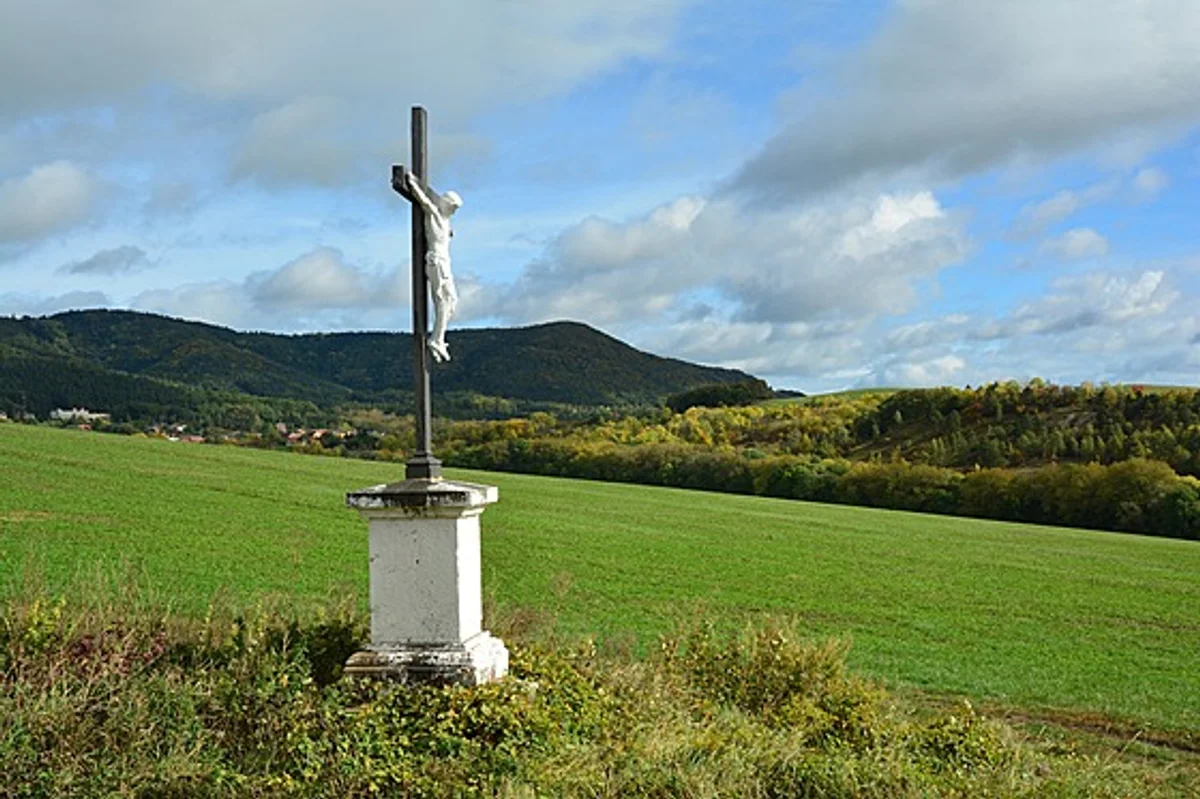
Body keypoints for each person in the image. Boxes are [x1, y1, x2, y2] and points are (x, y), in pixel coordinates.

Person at [405, 169, 461, 362]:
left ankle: (438, 337)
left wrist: (449, 234)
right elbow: (425, 202)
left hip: (445, 262)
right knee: (442, 300)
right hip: (436, 261)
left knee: (452, 301)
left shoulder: (446, 222)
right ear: (445, 203)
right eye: (453, 207)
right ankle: (436, 340)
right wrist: (412, 184)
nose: (454, 211)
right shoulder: (435, 215)